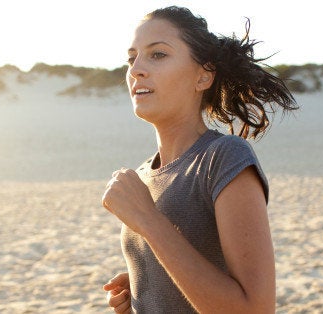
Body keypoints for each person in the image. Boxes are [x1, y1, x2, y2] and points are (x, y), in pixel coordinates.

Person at [101, 5, 297, 313]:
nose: (136, 68)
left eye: (158, 54)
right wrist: (147, 291)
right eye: (132, 57)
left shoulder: (224, 157)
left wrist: (148, 220)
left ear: (203, 76)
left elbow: (254, 309)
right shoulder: (143, 175)